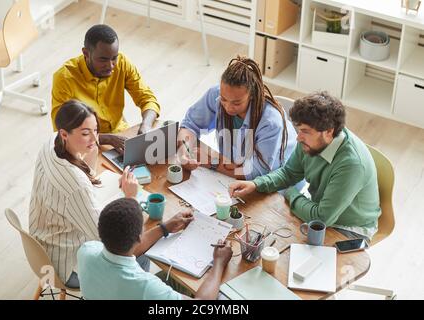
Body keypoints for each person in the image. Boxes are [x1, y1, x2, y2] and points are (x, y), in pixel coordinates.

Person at [29, 100, 169, 288]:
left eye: (96, 130)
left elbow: (88, 172)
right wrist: (130, 198)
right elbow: (114, 243)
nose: (94, 139)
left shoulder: (52, 142)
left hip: (43, 237)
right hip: (66, 263)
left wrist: (92, 145)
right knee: (139, 255)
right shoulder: (75, 186)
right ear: (64, 134)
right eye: (85, 133)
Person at [229, 91, 381, 241]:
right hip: (319, 207)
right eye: (299, 130)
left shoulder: (352, 165)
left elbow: (321, 218)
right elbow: (289, 173)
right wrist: (255, 184)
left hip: (348, 228)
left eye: (305, 132)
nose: (298, 137)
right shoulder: (312, 142)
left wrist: (290, 193)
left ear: (329, 132)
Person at [77, 197, 233, 300]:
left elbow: (125, 249)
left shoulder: (86, 250)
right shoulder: (145, 287)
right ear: (139, 236)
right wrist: (218, 263)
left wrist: (165, 227)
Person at [177, 55, 298, 180]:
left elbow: (256, 172)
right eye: (224, 99)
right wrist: (184, 151)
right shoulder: (216, 94)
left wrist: (211, 162)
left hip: (278, 181)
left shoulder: (270, 122)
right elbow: (190, 124)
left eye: (236, 103)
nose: (228, 107)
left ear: (251, 95)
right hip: (233, 167)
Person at [51, 24, 160, 154]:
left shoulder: (122, 63)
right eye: (103, 59)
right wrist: (108, 139)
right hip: (84, 146)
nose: (111, 66)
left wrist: (146, 125)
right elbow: (63, 131)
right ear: (86, 53)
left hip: (121, 135)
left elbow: (148, 99)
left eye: (114, 58)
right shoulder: (64, 78)